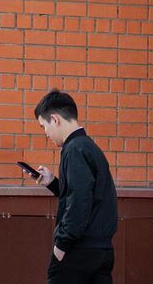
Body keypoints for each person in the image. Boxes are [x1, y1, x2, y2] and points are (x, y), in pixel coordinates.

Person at [31, 89, 118, 284]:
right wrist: (53, 183)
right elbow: (88, 194)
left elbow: (79, 201)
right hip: (102, 250)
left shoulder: (74, 149)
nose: (46, 133)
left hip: (78, 251)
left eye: (44, 126)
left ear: (55, 119)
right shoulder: (89, 147)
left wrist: (62, 244)